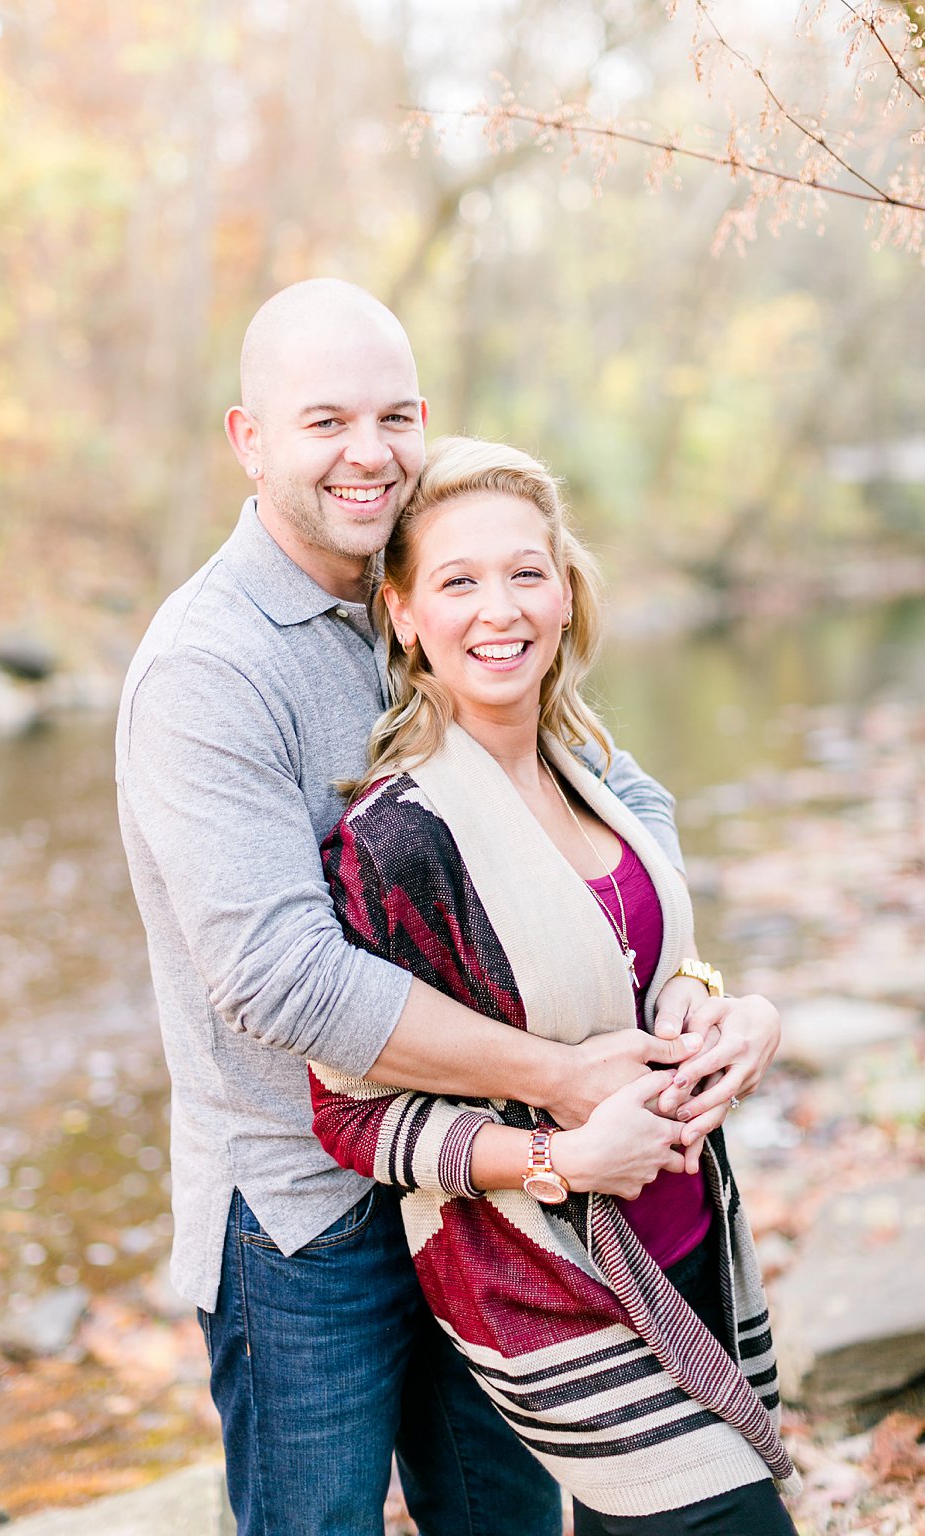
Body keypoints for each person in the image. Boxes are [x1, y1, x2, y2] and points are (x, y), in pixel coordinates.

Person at [114, 279, 782, 1535]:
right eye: (323, 422)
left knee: (505, 1518)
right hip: (306, 1212)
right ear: (247, 440)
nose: (368, 454)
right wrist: (563, 1077)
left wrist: (695, 994)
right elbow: (281, 981)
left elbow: (617, 799)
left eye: (394, 414)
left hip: (484, 1196)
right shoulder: (207, 669)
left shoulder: (434, 586)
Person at [308, 435, 797, 1532]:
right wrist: (557, 1157)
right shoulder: (398, 836)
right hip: (545, 1284)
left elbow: (644, 965)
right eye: (457, 580)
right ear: (401, 614)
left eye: (526, 572)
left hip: (686, 1237)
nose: (499, 609)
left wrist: (725, 1005)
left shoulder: (584, 767)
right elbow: (345, 1110)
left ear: (565, 596)